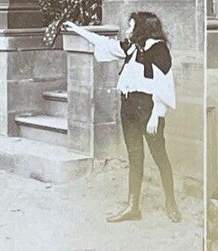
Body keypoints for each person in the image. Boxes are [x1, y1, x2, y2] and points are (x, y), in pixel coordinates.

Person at [65, 13, 180, 223]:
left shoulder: (159, 50)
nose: (127, 31)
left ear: (143, 29)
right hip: (128, 108)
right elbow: (103, 43)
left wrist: (157, 114)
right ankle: (132, 207)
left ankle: (171, 203)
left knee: (159, 155)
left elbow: (165, 84)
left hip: (148, 108)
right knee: (135, 157)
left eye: (131, 27)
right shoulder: (132, 48)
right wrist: (76, 29)